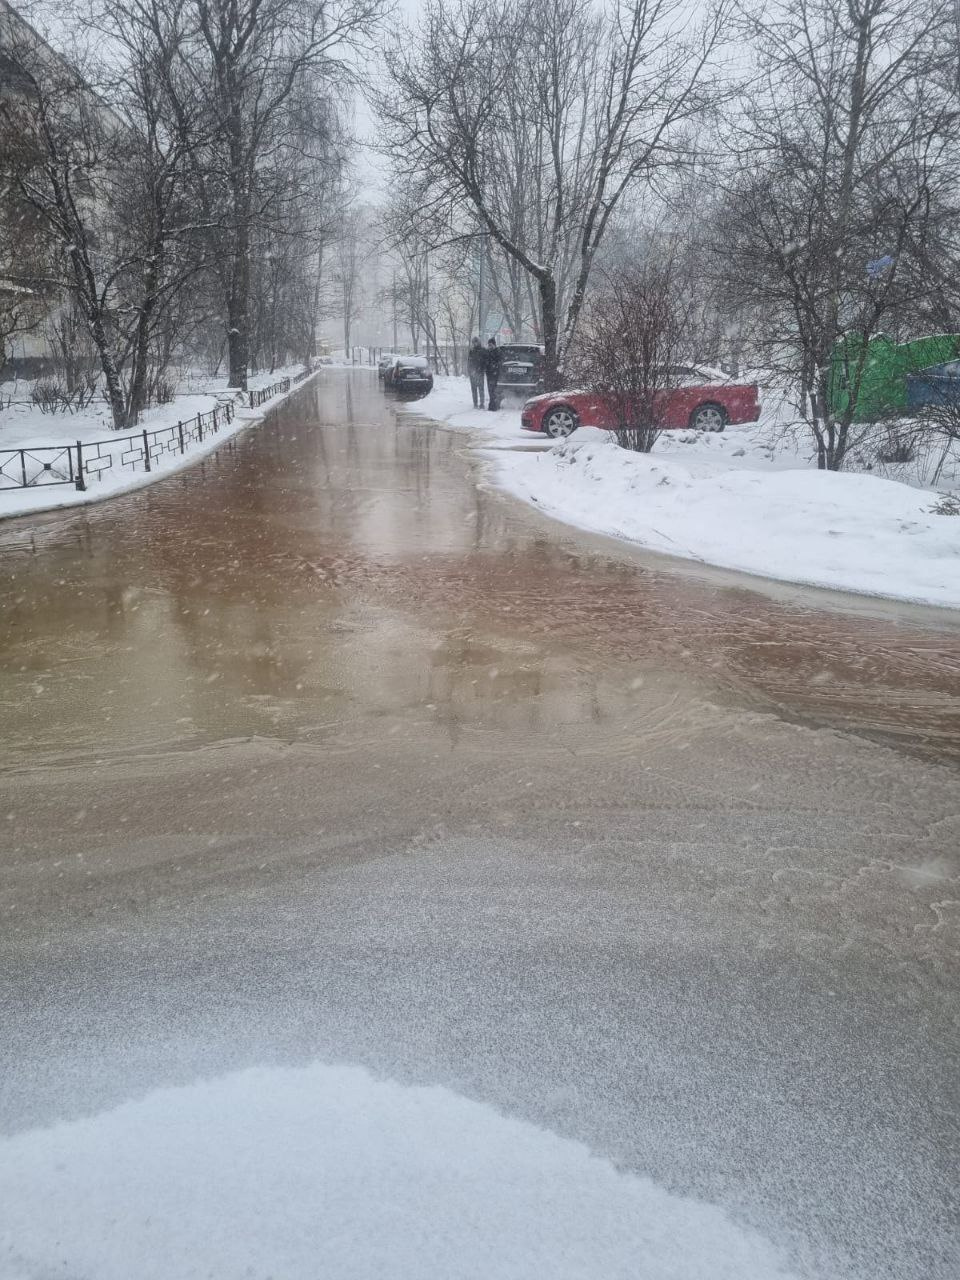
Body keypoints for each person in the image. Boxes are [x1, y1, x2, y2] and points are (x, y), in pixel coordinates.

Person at [467, 337, 485, 408]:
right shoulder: (471, 351)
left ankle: (482, 403)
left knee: (481, 389)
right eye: (473, 342)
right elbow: (469, 361)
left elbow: (484, 362)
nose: (474, 343)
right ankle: (475, 403)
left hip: (480, 373)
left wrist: (481, 369)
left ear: (479, 342)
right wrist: (469, 370)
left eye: (476, 342)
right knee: (473, 389)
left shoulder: (483, 350)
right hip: (472, 373)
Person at [485, 337, 501, 411]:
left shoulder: (497, 352)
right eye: (489, 345)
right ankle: (492, 404)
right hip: (489, 374)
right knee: (490, 390)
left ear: (494, 345)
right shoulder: (488, 352)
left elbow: (498, 362)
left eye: (491, 345)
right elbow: (485, 361)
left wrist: (493, 367)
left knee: (493, 390)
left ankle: (493, 405)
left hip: (494, 374)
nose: (489, 346)